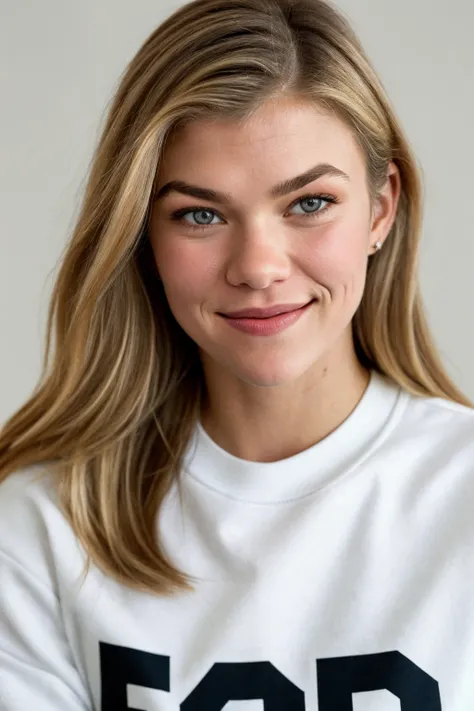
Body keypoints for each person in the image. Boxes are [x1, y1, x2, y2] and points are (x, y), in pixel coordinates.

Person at [0, 0, 472, 708]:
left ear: (380, 208)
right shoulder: (43, 527)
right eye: (201, 214)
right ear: (141, 237)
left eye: (309, 203)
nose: (258, 266)